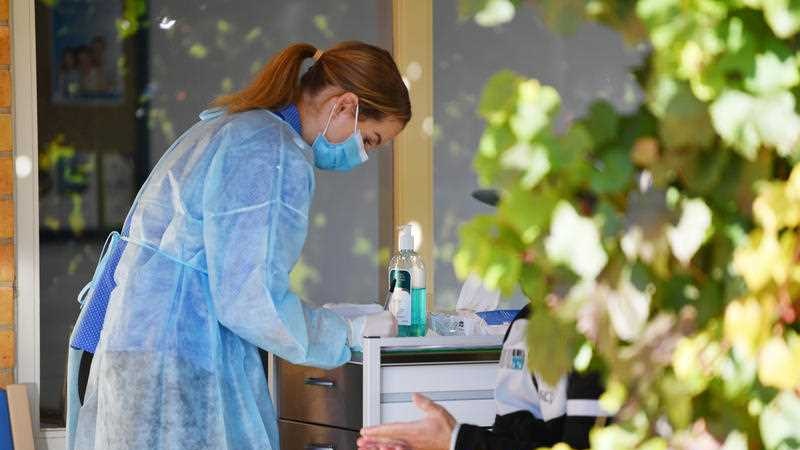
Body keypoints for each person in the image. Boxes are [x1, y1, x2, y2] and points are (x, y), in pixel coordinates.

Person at [65, 41, 410, 450]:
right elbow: (250, 299)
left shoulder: (229, 128)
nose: (363, 155)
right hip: (177, 362)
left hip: (137, 347)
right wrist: (344, 332)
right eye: (370, 140)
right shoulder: (271, 154)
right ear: (344, 105)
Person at [356, 193, 611, 450]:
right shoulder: (525, 326)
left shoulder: (600, 332)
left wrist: (456, 441)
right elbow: (510, 439)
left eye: (533, 235)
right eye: (513, 234)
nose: (519, 253)